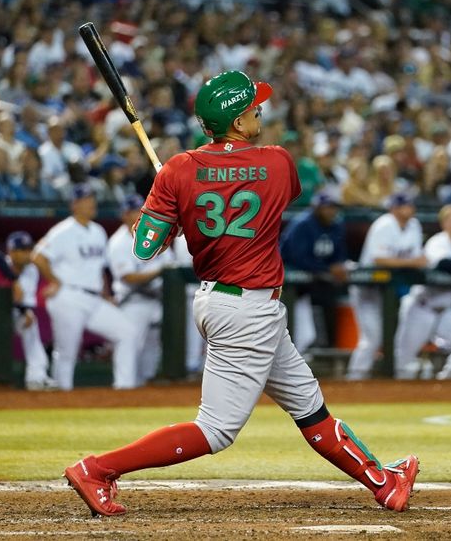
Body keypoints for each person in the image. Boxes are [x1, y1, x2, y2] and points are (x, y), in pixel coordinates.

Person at [63, 70, 418, 518]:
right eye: (252, 108)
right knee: (215, 430)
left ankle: (382, 483)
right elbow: (259, 193)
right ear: (235, 121)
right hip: (246, 308)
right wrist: (197, 189)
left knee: (308, 404)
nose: (259, 111)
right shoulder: (278, 162)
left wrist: (169, 210)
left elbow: (144, 248)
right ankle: (97, 469)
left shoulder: (177, 169)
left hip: (234, 303)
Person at [32, 184, 139, 391]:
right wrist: (55, 281)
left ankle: (124, 390)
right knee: (67, 353)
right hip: (68, 297)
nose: (91, 203)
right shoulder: (63, 230)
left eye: (92, 199)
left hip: (94, 298)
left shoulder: (98, 231)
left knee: (128, 332)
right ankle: (62, 396)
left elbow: (99, 268)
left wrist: (106, 293)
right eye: (86, 200)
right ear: (75, 204)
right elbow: (38, 257)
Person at [393, 205, 451, 380]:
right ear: (445, 223)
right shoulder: (437, 242)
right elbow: (443, 263)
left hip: (446, 312)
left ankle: (445, 381)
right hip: (421, 308)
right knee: (403, 365)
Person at [346, 192, 427, 380]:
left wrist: (409, 262)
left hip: (386, 291)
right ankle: (354, 379)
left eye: (409, 205)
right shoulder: (384, 225)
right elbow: (380, 259)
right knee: (372, 338)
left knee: (385, 336)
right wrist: (410, 263)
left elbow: (419, 259)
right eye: (402, 206)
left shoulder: (414, 225)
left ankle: (366, 377)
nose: (408, 209)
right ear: (393, 208)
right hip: (366, 287)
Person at [106, 194, 174, 387]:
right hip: (132, 301)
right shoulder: (119, 242)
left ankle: (145, 385)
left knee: (152, 346)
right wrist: (159, 272)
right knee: (131, 345)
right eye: (135, 210)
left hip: (156, 300)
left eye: (141, 210)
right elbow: (128, 277)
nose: (140, 214)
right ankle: (125, 386)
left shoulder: (153, 232)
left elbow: (171, 262)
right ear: (125, 215)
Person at [279, 191, 348, 352]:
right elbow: (297, 257)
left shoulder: (336, 225)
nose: (330, 211)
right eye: (326, 208)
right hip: (288, 282)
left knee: (307, 333)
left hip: (314, 283)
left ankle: (327, 350)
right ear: (316, 207)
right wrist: (327, 269)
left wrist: (339, 265)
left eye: (333, 208)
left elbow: (339, 254)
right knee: (289, 331)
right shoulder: (302, 224)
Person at [0, 231, 55, 390]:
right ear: (11, 251)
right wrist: (14, 280)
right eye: (22, 250)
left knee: (30, 321)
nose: (27, 254)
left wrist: (25, 311)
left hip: (11, 313)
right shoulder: (0, 264)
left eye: (29, 249)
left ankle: (36, 377)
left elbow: (22, 301)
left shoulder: (31, 269)